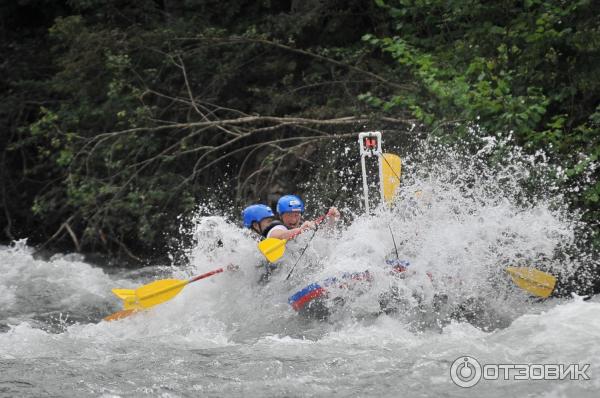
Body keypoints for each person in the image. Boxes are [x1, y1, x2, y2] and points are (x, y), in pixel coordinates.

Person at [241, 203, 314, 240]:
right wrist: (301, 229)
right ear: (256, 225)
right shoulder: (244, 243)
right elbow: (280, 235)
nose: (272, 224)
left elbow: (281, 234)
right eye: (268, 221)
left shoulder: (273, 231)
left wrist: (301, 230)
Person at [276, 194, 340, 230]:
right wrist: (300, 229)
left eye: (296, 215)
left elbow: (325, 241)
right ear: (280, 216)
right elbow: (281, 235)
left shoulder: (305, 230)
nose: (293, 220)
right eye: (289, 215)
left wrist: (331, 220)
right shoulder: (275, 228)